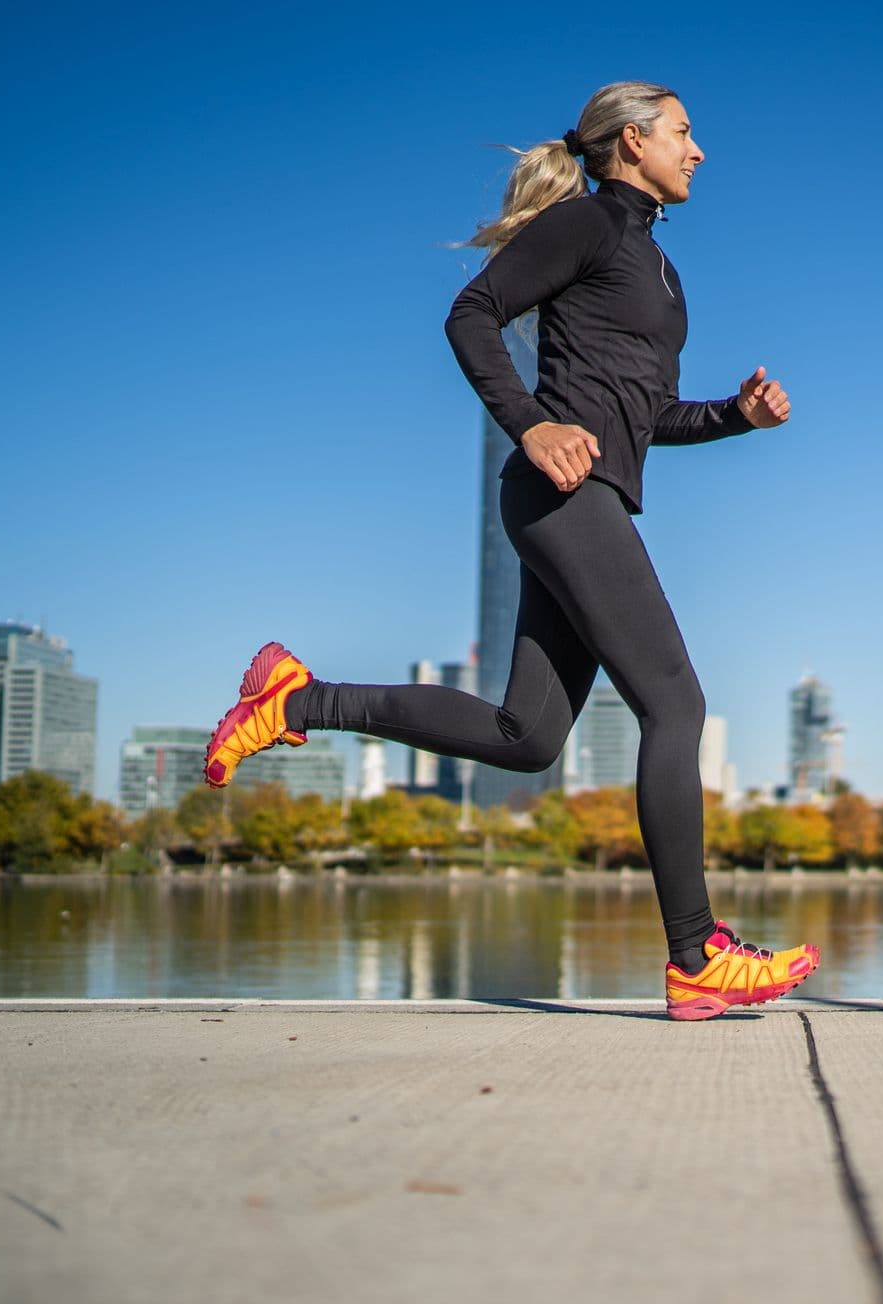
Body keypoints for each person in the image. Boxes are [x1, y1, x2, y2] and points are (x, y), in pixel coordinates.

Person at [201, 81, 817, 1021]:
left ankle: (298, 696)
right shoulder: (585, 225)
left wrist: (735, 416)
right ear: (631, 140)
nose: (699, 152)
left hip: (587, 495)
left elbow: (644, 415)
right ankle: (697, 956)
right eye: (685, 134)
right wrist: (530, 426)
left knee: (524, 739)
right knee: (676, 701)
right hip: (561, 497)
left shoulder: (657, 269)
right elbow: (471, 314)